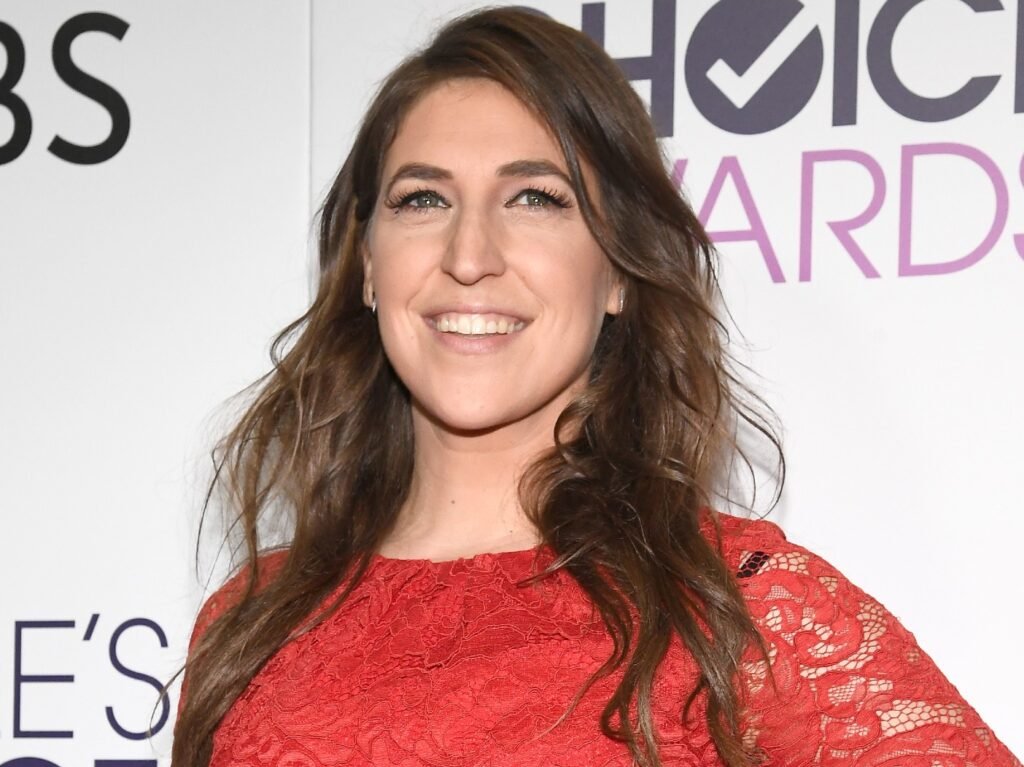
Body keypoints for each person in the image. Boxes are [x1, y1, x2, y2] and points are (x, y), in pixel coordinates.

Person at [172, 8, 1020, 767]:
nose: (470, 256)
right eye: (423, 198)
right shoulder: (248, 626)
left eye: (536, 198)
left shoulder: (732, 605)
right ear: (365, 266)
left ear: (618, 270)